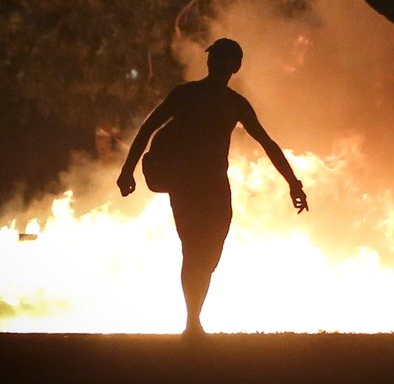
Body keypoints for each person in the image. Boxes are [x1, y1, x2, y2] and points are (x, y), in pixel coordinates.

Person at [116, 38, 308, 336]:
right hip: (187, 186)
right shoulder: (185, 95)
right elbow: (148, 127)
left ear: (234, 66)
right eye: (212, 57)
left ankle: (194, 315)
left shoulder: (235, 104)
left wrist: (294, 183)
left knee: (209, 254)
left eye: (220, 58)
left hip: (216, 187)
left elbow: (267, 143)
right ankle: (192, 321)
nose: (213, 63)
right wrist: (126, 170)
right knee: (193, 250)